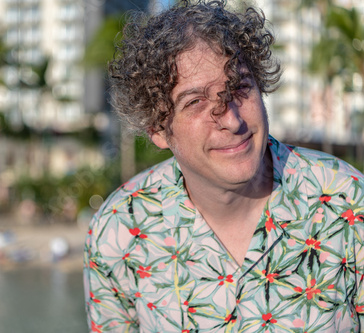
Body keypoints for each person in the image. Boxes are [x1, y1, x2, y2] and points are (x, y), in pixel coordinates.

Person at [83, 0, 364, 332]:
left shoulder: (347, 203)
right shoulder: (118, 231)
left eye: (240, 87)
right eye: (196, 102)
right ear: (158, 128)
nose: (230, 119)